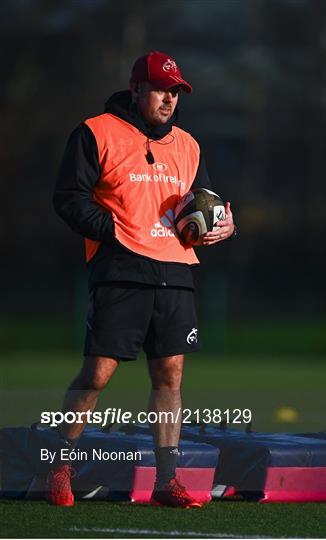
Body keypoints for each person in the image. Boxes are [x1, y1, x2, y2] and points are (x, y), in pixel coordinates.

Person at [49, 51, 235, 508]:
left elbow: (204, 203)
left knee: (170, 375)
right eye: (159, 89)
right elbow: (68, 197)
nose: (168, 99)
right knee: (98, 372)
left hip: (175, 269)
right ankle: (57, 466)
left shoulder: (189, 145)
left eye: (175, 92)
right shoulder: (95, 132)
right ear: (136, 90)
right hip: (120, 267)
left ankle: (166, 480)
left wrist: (222, 226)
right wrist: (113, 231)